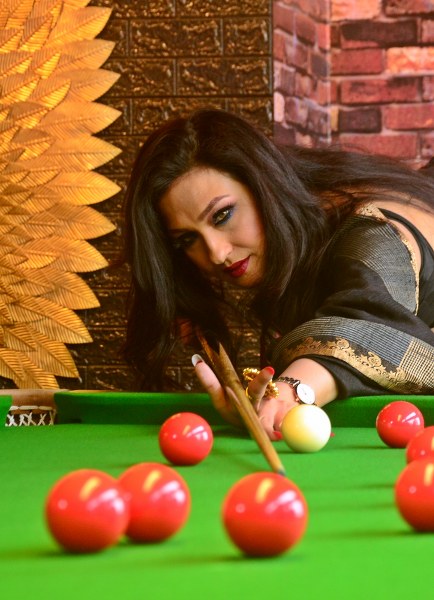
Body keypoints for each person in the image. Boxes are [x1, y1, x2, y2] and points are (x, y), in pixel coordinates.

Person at [122, 108, 434, 440]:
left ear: (263, 185)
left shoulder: (372, 232)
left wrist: (289, 391)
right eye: (187, 239)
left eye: (222, 215)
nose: (216, 253)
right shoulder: (300, 230)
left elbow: (372, 320)